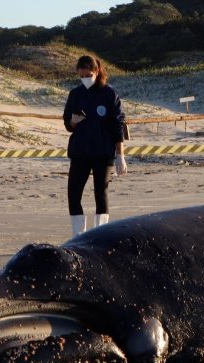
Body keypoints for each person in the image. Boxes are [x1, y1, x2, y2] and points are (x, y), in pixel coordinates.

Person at [63, 55, 127, 237]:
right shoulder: (75, 94)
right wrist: (73, 122)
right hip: (80, 152)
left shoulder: (109, 94)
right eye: (81, 75)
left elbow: (117, 125)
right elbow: (68, 124)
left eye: (88, 75)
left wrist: (120, 155)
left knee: (101, 193)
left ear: (97, 71)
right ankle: (78, 235)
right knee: (74, 194)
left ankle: (100, 234)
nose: (85, 79)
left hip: (103, 153)